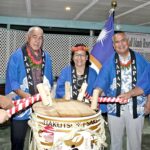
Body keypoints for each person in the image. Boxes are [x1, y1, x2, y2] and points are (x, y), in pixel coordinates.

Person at [92, 31, 148, 150]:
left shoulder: (141, 60)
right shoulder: (109, 62)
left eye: (123, 40)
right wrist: (96, 94)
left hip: (136, 108)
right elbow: (102, 81)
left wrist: (148, 103)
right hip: (114, 109)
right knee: (115, 143)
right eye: (117, 42)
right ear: (113, 45)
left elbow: (148, 83)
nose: (120, 44)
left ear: (128, 42)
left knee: (135, 144)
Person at [5, 26, 53, 150]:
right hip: (21, 104)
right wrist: (26, 97)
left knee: (39, 140)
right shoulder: (16, 56)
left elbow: (49, 80)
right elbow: (13, 81)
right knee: (18, 140)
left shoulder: (46, 57)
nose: (37, 41)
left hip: (40, 105)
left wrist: (45, 96)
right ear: (28, 37)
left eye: (40, 38)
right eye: (34, 37)